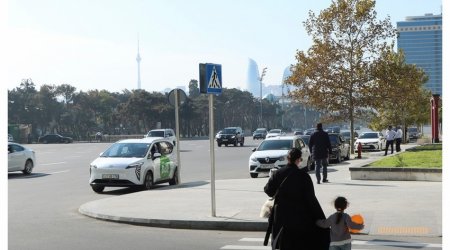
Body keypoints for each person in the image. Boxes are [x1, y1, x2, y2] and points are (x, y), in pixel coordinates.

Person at [264, 148, 330, 250]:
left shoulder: (278, 173)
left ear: (287, 158)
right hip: (300, 218)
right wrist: (319, 217)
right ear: (299, 159)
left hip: (281, 216)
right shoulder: (304, 176)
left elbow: (268, 190)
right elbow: (310, 198)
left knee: (283, 244)